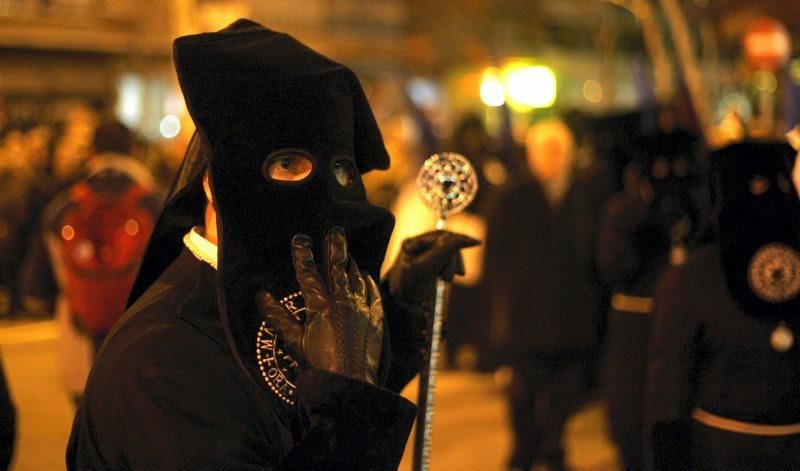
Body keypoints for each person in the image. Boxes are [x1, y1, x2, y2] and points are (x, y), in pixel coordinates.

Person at [67, 19, 476, 469]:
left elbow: (297, 408)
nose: (325, 195)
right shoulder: (162, 363)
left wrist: (398, 308)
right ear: (212, 182)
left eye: (341, 171)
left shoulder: (270, 293)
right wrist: (349, 411)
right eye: (287, 163)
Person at [645, 140, 800, 470]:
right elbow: (670, 385)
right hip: (723, 448)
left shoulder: (691, 275)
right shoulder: (695, 276)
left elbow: (668, 385)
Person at [485, 118, 606, 471]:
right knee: (523, 391)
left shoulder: (586, 195)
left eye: (559, 150)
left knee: (565, 391)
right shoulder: (512, 196)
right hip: (526, 314)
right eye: (546, 150)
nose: (553, 158)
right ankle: (524, 450)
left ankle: (554, 449)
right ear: (532, 153)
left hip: (573, 312)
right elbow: (496, 256)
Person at [19, 119, 162, 403]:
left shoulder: (63, 207)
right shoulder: (158, 205)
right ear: (135, 151)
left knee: (87, 437)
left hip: (80, 344)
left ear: (92, 153)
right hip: (146, 349)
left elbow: (35, 289)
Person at [596, 128, 703, 470]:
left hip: (677, 319)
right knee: (632, 406)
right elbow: (612, 266)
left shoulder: (691, 206)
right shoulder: (622, 211)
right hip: (636, 320)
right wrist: (643, 219)